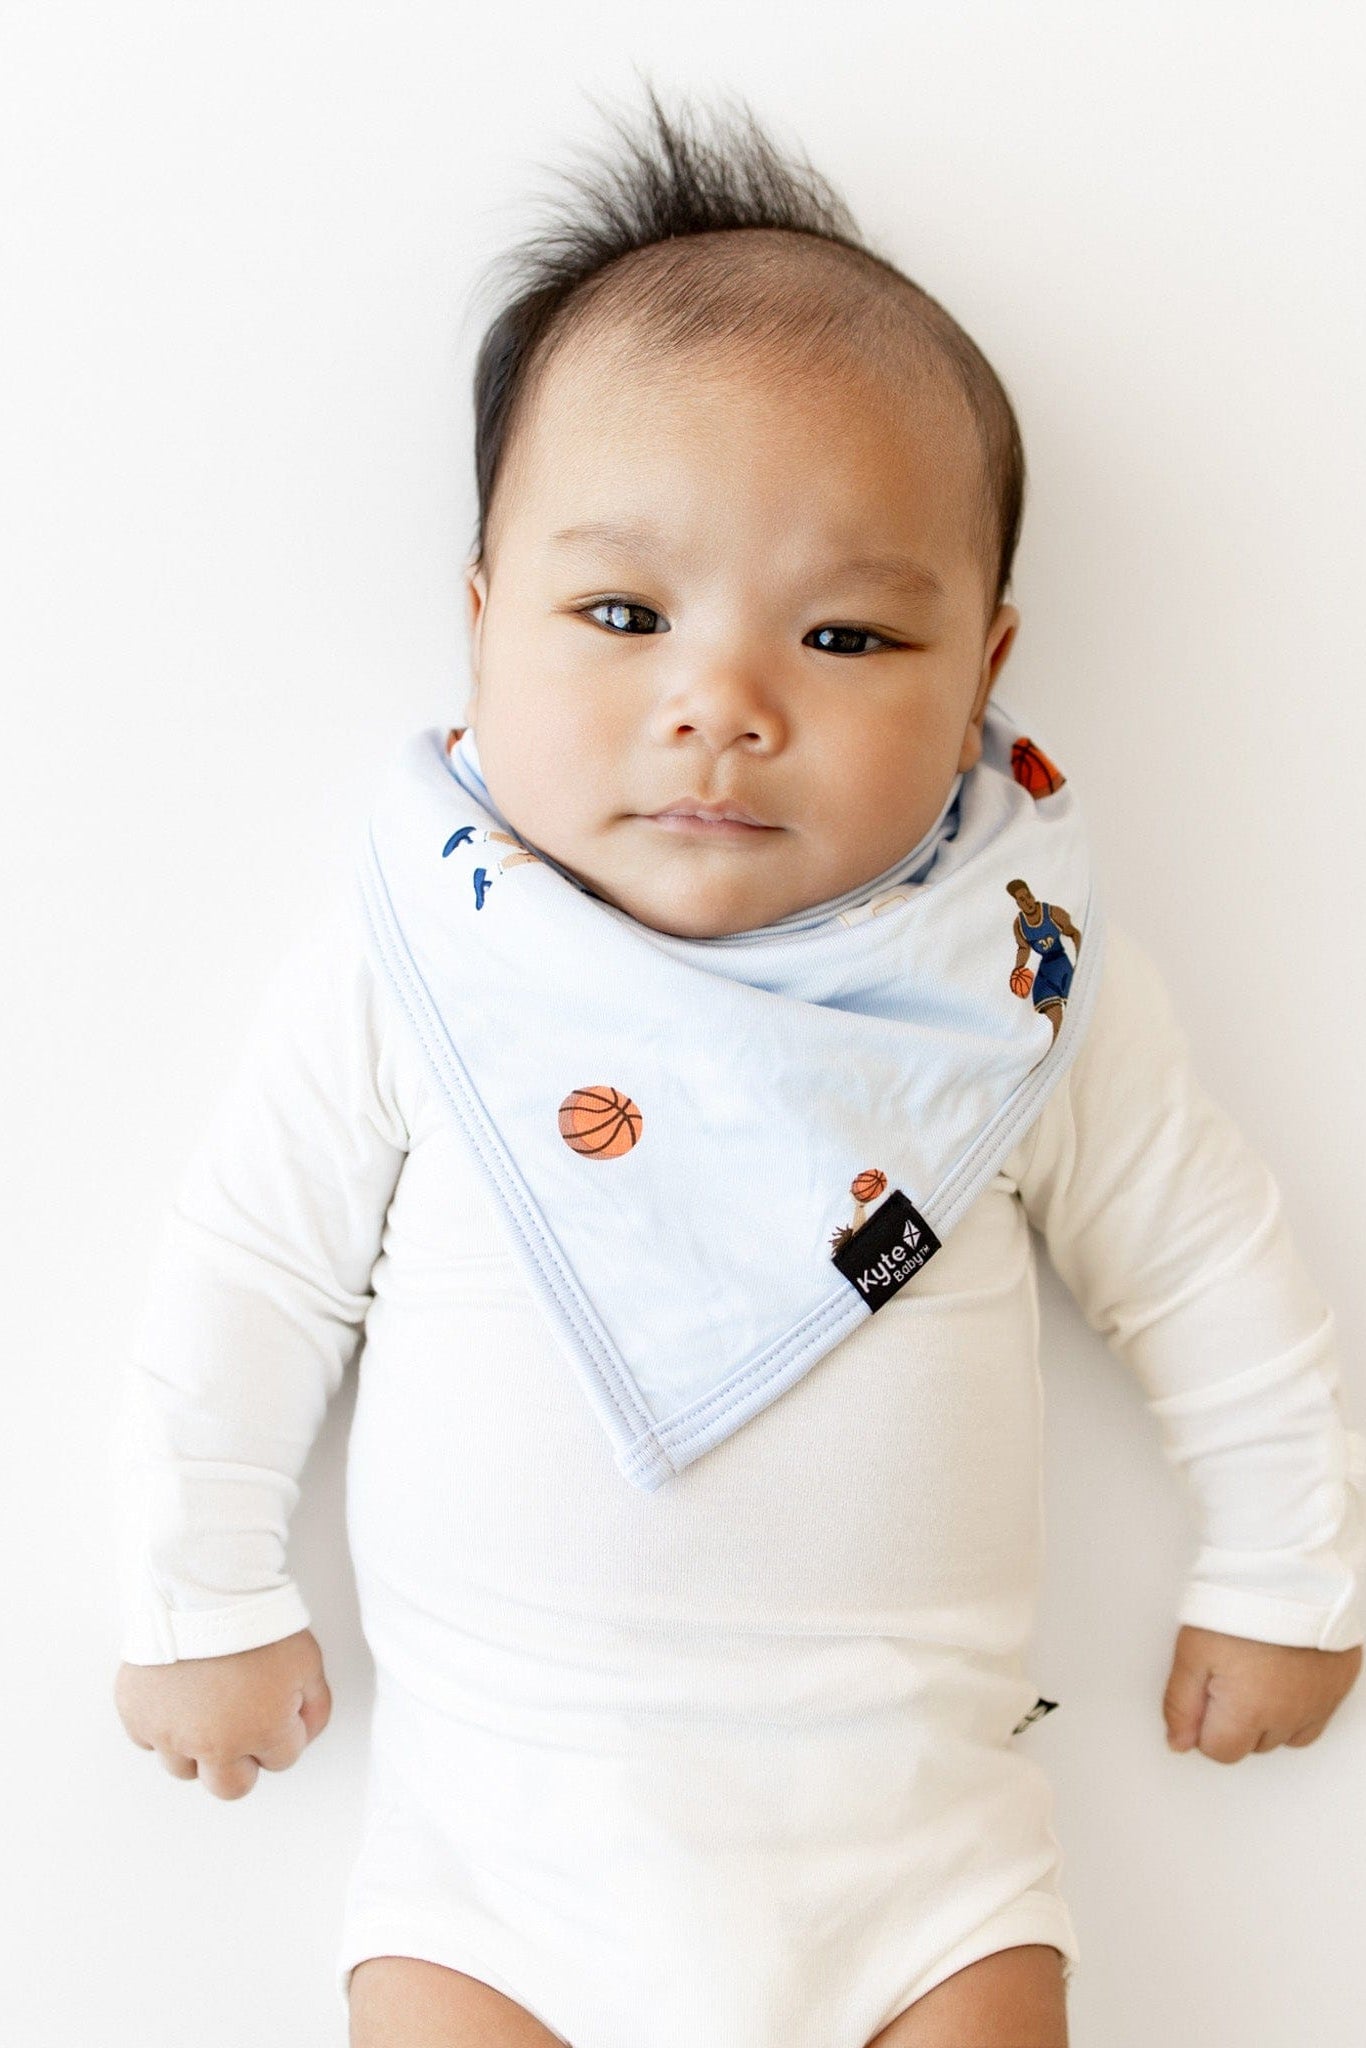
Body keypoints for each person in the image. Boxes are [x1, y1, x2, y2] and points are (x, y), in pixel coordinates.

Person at [110, 78, 1365, 2048]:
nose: (720, 703)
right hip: (496, 1864)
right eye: (621, 612)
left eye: (847, 638)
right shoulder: (424, 961)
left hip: (919, 1861)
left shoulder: (1010, 986)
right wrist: (199, 1590)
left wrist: (1287, 1571)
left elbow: (1206, 1267)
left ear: (983, 674)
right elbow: (250, 1271)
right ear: (479, 625)